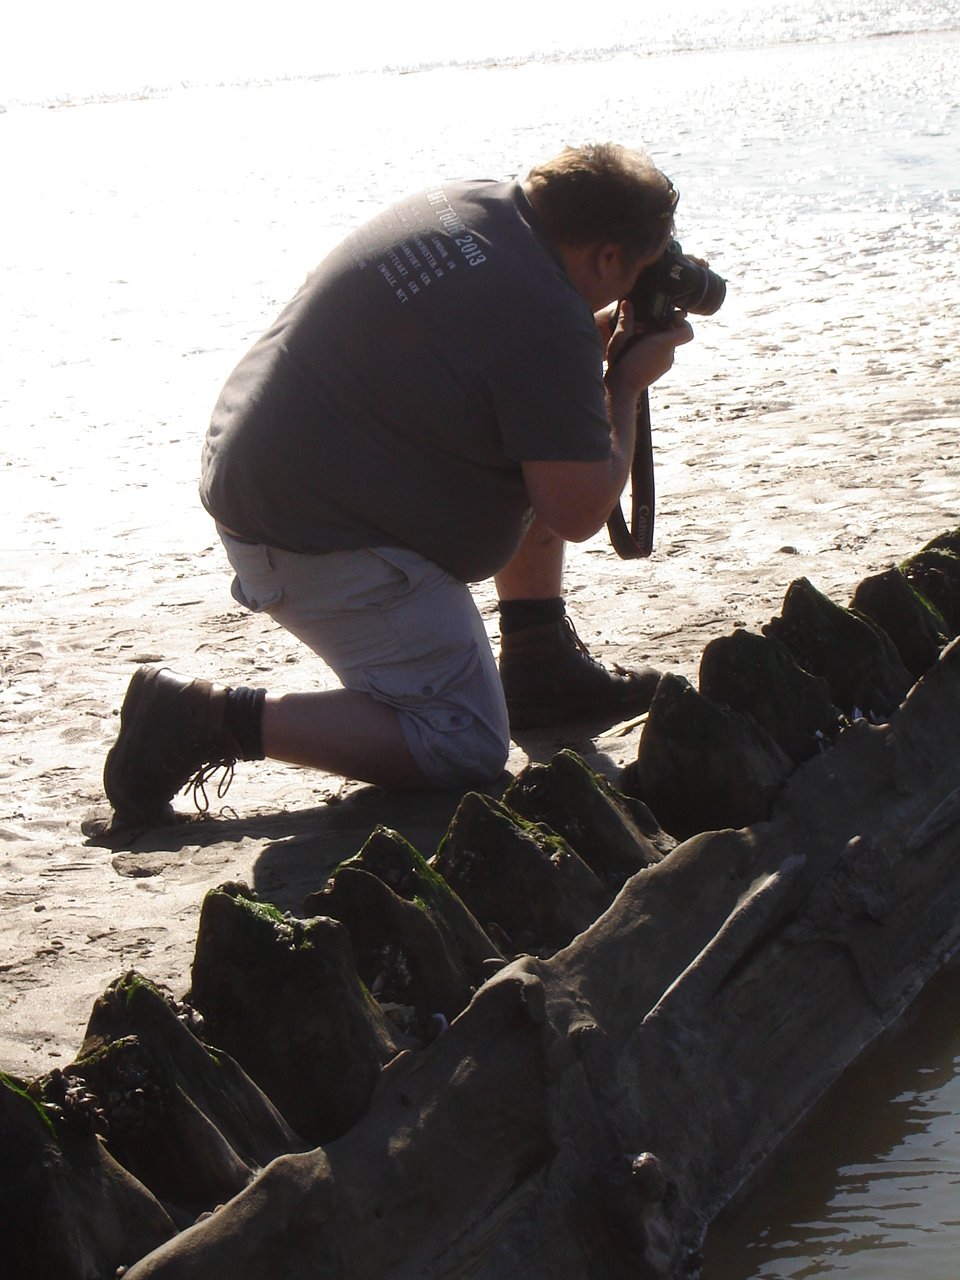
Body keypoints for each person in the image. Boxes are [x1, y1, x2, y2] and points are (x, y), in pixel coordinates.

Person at [103, 143, 693, 826]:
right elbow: (581, 507)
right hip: (307, 540)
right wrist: (623, 382)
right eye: (637, 272)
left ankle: (538, 660)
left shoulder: (478, 205)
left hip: (270, 473)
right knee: (464, 742)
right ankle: (201, 718)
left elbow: (504, 345)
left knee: (547, 427)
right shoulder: (545, 314)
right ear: (609, 257)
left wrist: (601, 342)